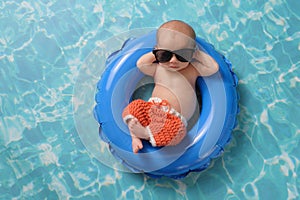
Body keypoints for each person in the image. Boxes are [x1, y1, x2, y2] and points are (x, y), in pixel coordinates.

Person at [122, 20, 219, 153]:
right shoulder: (158, 69)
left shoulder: (192, 69)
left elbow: (213, 68)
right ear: (157, 52)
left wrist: (196, 53)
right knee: (134, 107)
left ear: (191, 54)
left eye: (183, 55)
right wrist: (155, 53)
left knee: (177, 133)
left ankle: (145, 134)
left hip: (175, 120)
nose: (173, 60)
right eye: (165, 55)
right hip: (153, 109)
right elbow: (141, 64)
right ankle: (135, 135)